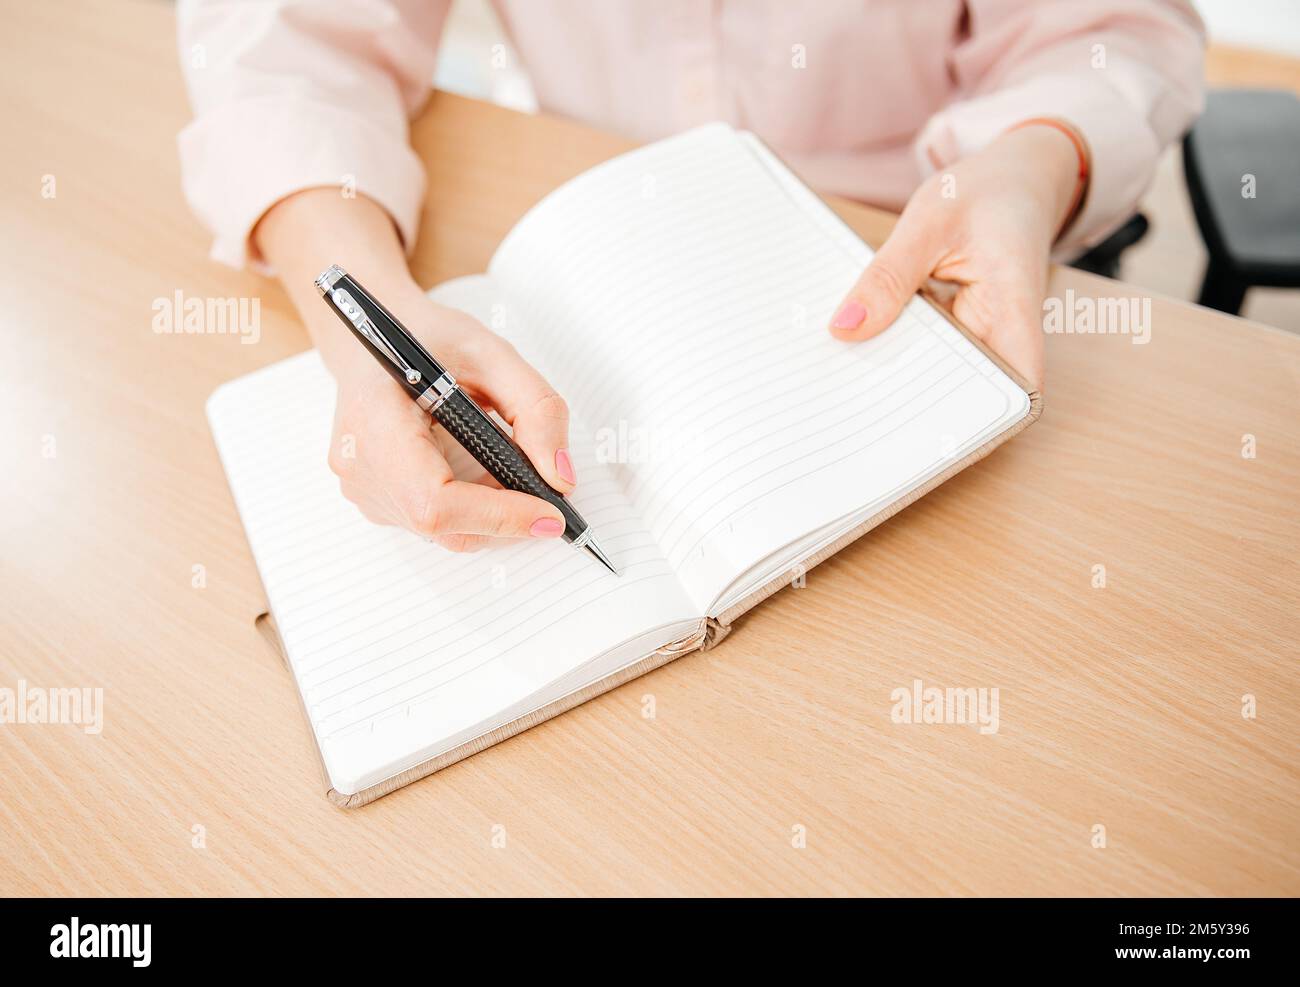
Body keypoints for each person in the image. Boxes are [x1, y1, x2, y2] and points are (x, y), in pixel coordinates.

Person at [178, 0, 1204, 552]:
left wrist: (1033, 158)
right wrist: (362, 307)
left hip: (910, 253)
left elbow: (1112, 33)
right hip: (597, 227)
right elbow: (281, 37)